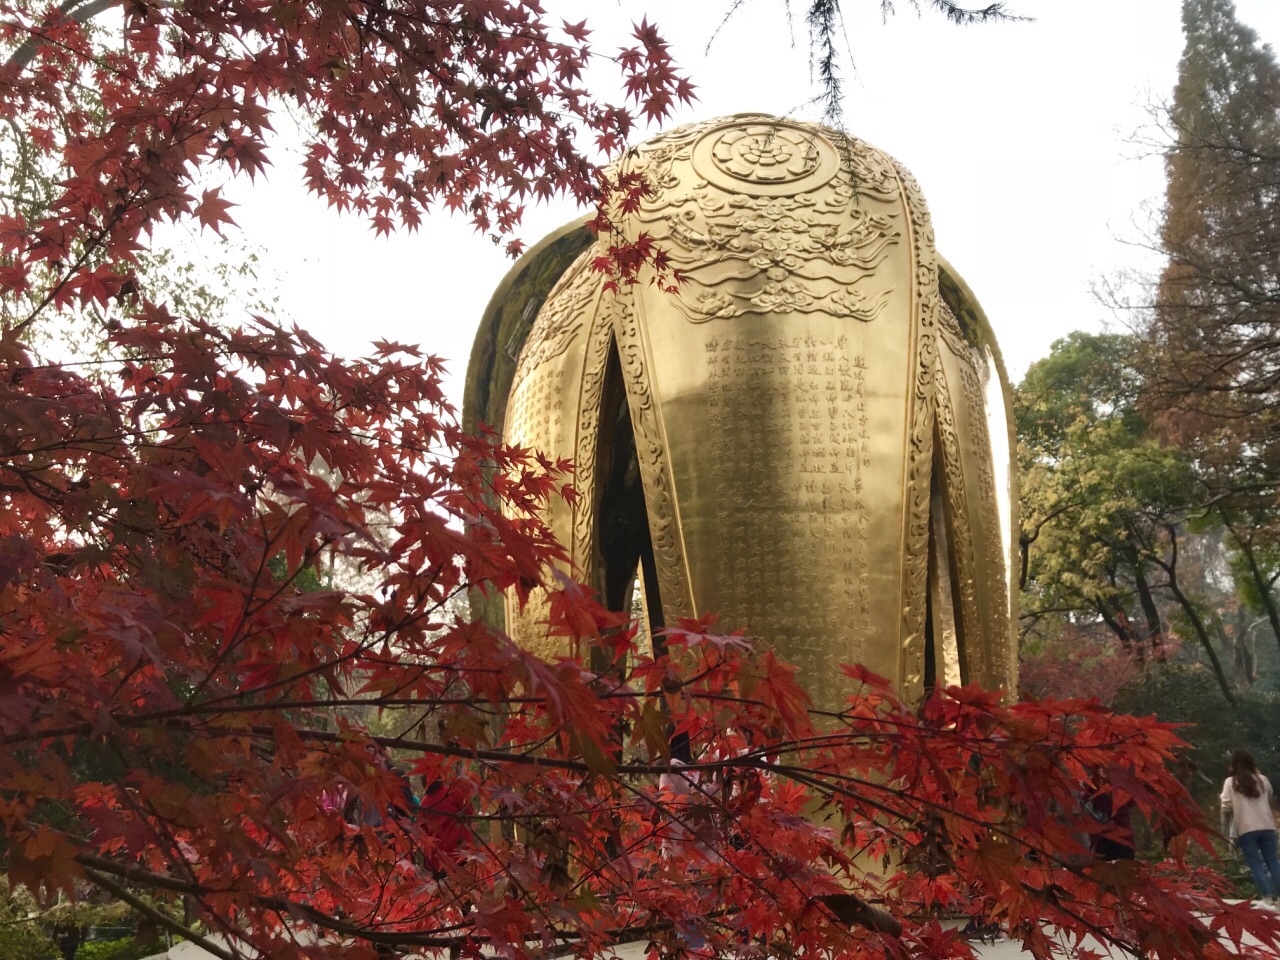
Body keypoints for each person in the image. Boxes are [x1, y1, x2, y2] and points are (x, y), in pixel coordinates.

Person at [1221, 750, 1280, 906]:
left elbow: (1225, 807)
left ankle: (1267, 899)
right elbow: (1270, 796)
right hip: (1268, 826)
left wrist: (1225, 832)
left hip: (1246, 829)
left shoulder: (1231, 782)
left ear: (1233, 764)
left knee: (1256, 866)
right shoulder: (1262, 780)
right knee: (1273, 862)